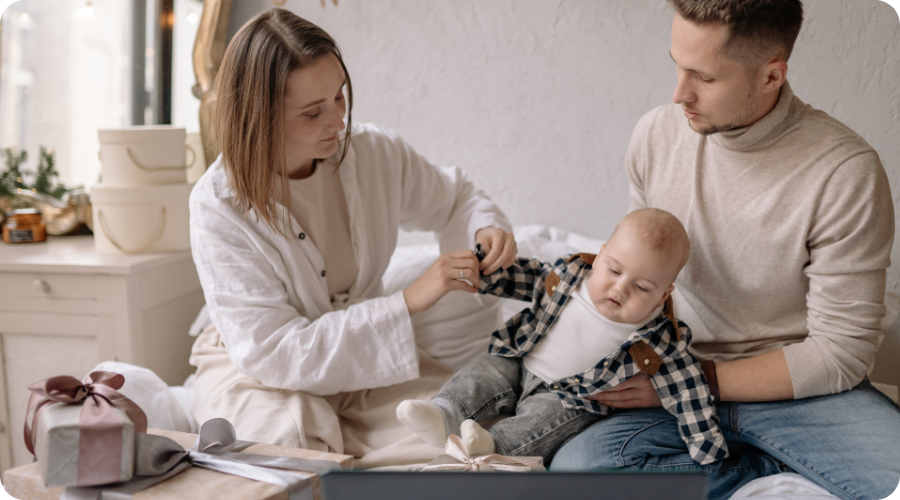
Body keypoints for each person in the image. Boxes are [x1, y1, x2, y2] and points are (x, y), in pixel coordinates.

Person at [550, 1, 900, 499]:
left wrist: (698, 380)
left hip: (803, 392)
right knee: (578, 471)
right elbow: (642, 282)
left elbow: (840, 354)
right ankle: (764, 471)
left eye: (704, 78)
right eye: (677, 65)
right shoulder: (655, 135)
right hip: (676, 382)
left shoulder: (844, 172)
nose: (679, 94)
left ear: (772, 75)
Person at [187, 8, 518, 461]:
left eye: (340, 97)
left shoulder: (374, 152)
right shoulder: (218, 204)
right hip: (258, 370)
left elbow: (456, 197)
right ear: (258, 117)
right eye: (312, 112)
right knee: (291, 454)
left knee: (470, 437)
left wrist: (486, 228)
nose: (338, 122)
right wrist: (410, 300)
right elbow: (275, 352)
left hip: (363, 357)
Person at [397, 209, 728, 464]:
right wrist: (479, 270)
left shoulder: (660, 339)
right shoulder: (567, 277)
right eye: (614, 270)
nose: (620, 288)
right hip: (520, 361)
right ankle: (443, 413)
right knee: (483, 369)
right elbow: (519, 278)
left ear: (664, 293)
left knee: (544, 421)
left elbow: (689, 392)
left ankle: (491, 446)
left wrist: (707, 448)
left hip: (570, 396)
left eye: (642, 287)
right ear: (600, 255)